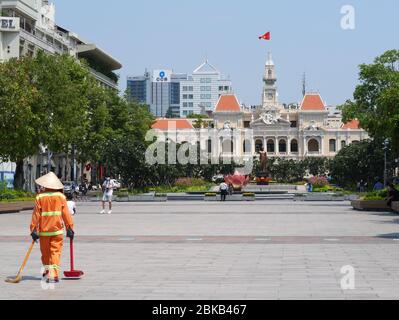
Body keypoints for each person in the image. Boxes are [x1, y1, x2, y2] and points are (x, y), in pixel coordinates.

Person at [30, 172, 74, 284]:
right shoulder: (61, 197)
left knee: (45, 253)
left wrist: (33, 229)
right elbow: (66, 214)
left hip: (44, 231)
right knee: (55, 252)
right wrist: (69, 227)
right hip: (57, 230)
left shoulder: (40, 197)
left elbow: (36, 214)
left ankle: (48, 270)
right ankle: (53, 274)